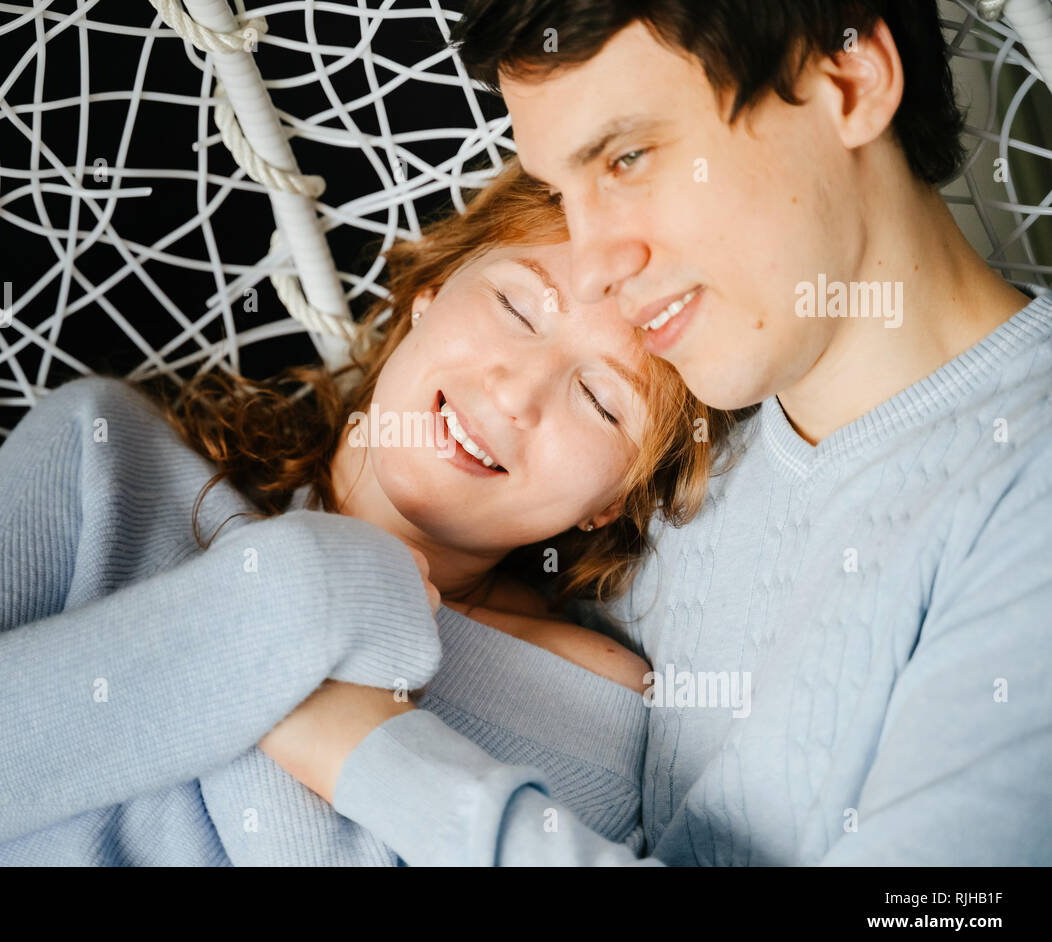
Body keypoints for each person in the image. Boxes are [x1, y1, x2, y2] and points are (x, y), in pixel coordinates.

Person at [258, 0, 1052, 865]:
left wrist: (369, 754)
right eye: (563, 192)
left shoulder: (1023, 506)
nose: (594, 260)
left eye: (628, 158)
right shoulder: (683, 428)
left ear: (850, 81)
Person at [0, 161, 740, 865]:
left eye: (601, 399)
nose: (518, 391)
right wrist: (317, 587)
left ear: (613, 501)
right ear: (430, 295)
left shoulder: (592, 705)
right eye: (515, 306)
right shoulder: (104, 456)